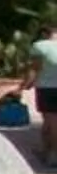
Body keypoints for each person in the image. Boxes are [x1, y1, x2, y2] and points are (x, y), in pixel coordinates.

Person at [34, 21, 57, 164]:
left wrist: (24, 86)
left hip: (47, 88)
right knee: (48, 123)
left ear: (44, 34)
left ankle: (53, 154)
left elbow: (35, 69)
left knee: (51, 121)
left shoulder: (40, 46)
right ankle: (45, 150)